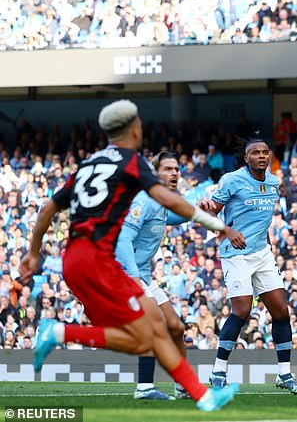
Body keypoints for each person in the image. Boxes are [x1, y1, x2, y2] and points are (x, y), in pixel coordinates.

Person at [19, 100, 240, 412]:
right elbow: (167, 200)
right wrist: (219, 226)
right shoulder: (132, 162)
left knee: (153, 332)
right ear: (135, 129)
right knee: (145, 337)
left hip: (75, 259)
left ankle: (201, 397)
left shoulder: (88, 164)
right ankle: (58, 331)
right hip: (103, 263)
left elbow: (47, 208)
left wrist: (33, 252)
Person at [202, 137, 297, 395]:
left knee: (281, 311)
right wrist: (227, 230)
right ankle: (218, 371)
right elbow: (208, 214)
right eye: (255, 153)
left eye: (264, 152)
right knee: (241, 310)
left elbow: (263, 222)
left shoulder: (273, 182)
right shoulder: (231, 180)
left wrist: (268, 247)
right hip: (235, 253)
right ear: (246, 158)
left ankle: (285, 375)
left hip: (262, 253)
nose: (261, 156)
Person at [115, 150, 196, 400]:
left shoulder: (161, 202)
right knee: (155, 325)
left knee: (176, 327)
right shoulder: (144, 200)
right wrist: (133, 277)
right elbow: (123, 238)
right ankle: (144, 388)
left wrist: (190, 201)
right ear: (154, 173)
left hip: (145, 276)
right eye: (168, 169)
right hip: (128, 275)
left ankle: (182, 387)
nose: (174, 173)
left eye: (176, 169)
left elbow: (182, 215)